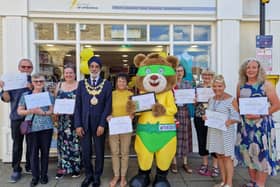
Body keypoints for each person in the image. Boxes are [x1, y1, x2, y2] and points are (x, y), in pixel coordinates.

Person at [235, 58, 280, 187]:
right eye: (248, 67)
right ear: (244, 69)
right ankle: (253, 182)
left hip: (262, 126)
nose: (251, 70)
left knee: (262, 154)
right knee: (248, 153)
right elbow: (239, 105)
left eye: (254, 67)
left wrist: (260, 114)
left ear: (259, 69)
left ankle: (260, 184)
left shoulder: (266, 85)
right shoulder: (240, 85)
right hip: (246, 126)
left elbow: (277, 105)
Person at [74, 56, 112, 187]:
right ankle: (88, 175)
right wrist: (78, 124)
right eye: (92, 66)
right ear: (89, 68)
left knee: (99, 150)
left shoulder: (106, 84)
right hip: (84, 122)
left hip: (99, 124)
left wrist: (102, 124)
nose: (94, 69)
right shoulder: (81, 84)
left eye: (96, 67)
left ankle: (97, 176)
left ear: (100, 69)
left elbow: (108, 105)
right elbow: (77, 106)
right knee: (86, 151)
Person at [17, 73, 54, 187]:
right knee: (33, 153)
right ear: (32, 83)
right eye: (36, 81)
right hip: (31, 128)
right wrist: (30, 111)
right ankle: (35, 176)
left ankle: (44, 175)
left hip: (46, 127)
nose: (39, 83)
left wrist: (42, 112)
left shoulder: (48, 95)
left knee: (45, 153)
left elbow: (51, 111)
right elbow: (19, 111)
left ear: (44, 82)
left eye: (41, 81)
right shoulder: (26, 95)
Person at [204, 75, 240, 187]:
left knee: (227, 157)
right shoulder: (211, 99)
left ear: (224, 86)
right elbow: (209, 114)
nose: (217, 88)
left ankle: (229, 183)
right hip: (214, 132)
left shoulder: (231, 99)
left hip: (225, 133)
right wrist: (205, 117)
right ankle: (223, 181)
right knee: (219, 156)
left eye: (219, 86)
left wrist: (230, 121)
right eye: (214, 86)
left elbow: (237, 117)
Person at [0, 58, 33, 183]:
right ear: (19, 68)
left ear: (32, 68)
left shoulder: (34, 80)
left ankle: (30, 166)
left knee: (31, 143)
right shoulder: (10, 81)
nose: (26, 69)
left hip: (30, 118)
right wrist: (5, 89)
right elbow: (6, 99)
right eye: (23, 67)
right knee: (17, 145)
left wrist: (31, 88)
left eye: (28, 67)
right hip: (17, 118)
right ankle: (16, 169)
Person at [106, 73, 133, 187]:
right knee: (114, 152)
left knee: (125, 152)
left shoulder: (131, 95)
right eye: (119, 81)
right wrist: (109, 115)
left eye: (123, 81)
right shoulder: (111, 94)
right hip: (114, 126)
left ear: (127, 83)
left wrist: (132, 115)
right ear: (116, 82)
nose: (121, 83)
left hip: (126, 127)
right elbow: (107, 108)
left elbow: (134, 109)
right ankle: (116, 175)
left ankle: (123, 177)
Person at [54, 65, 81, 179]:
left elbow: (82, 103)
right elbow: (55, 101)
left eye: (71, 73)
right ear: (63, 74)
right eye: (66, 73)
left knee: (75, 145)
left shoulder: (79, 85)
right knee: (62, 145)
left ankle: (75, 168)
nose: (68, 75)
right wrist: (56, 112)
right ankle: (62, 168)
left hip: (75, 120)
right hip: (62, 121)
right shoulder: (59, 85)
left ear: (75, 74)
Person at [194, 69, 219, 177]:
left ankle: (215, 166)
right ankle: (204, 164)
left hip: (213, 118)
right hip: (199, 116)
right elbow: (196, 104)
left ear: (213, 76)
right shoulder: (198, 87)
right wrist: (194, 102)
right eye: (205, 75)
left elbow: (221, 102)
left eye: (209, 75)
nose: (207, 77)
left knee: (214, 141)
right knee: (202, 139)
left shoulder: (216, 86)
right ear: (202, 76)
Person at [171, 64, 193, 174]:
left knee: (185, 137)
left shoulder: (187, 84)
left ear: (183, 72)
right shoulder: (170, 85)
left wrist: (194, 99)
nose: (179, 73)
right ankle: (173, 162)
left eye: (181, 71)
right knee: (174, 137)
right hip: (173, 113)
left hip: (184, 112)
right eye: (176, 71)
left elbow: (192, 98)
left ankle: (185, 162)